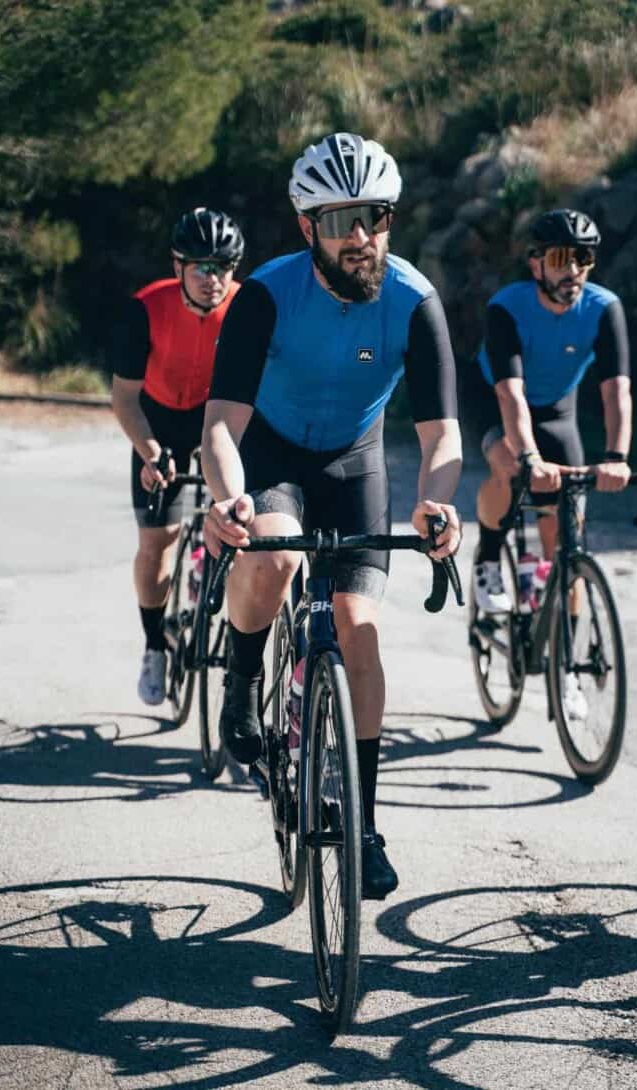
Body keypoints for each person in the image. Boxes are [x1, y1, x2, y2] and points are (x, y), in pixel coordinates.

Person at [200, 132, 462, 900]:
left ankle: (365, 822)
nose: (361, 236)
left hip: (355, 457)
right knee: (274, 551)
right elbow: (219, 423)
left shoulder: (415, 301)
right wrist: (227, 497)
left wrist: (437, 500)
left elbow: (442, 434)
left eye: (375, 216)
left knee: (360, 624)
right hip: (273, 454)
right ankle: (243, 682)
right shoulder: (267, 295)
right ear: (307, 223)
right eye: (342, 218)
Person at [472, 208, 632, 718]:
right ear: (537, 263)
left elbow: (617, 394)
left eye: (584, 258)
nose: (575, 271)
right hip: (497, 398)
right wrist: (528, 457)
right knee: (511, 467)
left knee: (567, 547)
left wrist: (617, 457)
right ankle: (487, 558)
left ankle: (568, 664)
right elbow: (511, 397)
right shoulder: (508, 307)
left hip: (560, 409)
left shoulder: (605, 308)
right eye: (563, 259)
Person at [110, 207, 244, 705]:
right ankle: (154, 644)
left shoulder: (247, 308)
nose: (214, 279)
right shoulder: (145, 309)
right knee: (158, 539)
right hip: (158, 419)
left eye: (225, 267)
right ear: (177, 267)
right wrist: (149, 453)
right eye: (202, 267)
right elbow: (124, 400)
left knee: (239, 523)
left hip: (216, 420)